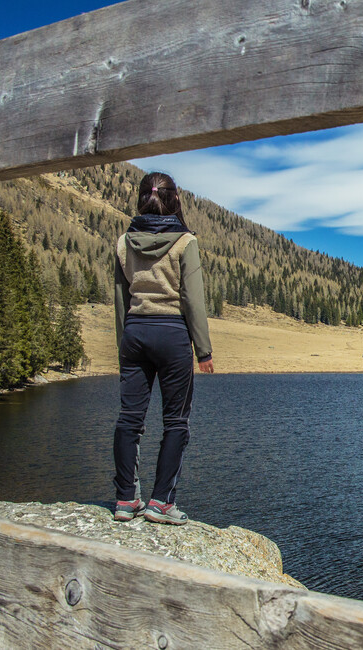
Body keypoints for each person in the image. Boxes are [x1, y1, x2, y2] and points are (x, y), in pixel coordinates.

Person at [111, 172, 214, 525]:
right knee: (176, 423)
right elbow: (193, 299)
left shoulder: (123, 242)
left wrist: (122, 343)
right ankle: (161, 503)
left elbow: (119, 298)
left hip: (136, 333)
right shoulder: (186, 241)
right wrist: (203, 350)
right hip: (172, 335)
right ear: (174, 201)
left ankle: (126, 500)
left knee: (129, 420)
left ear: (142, 199)